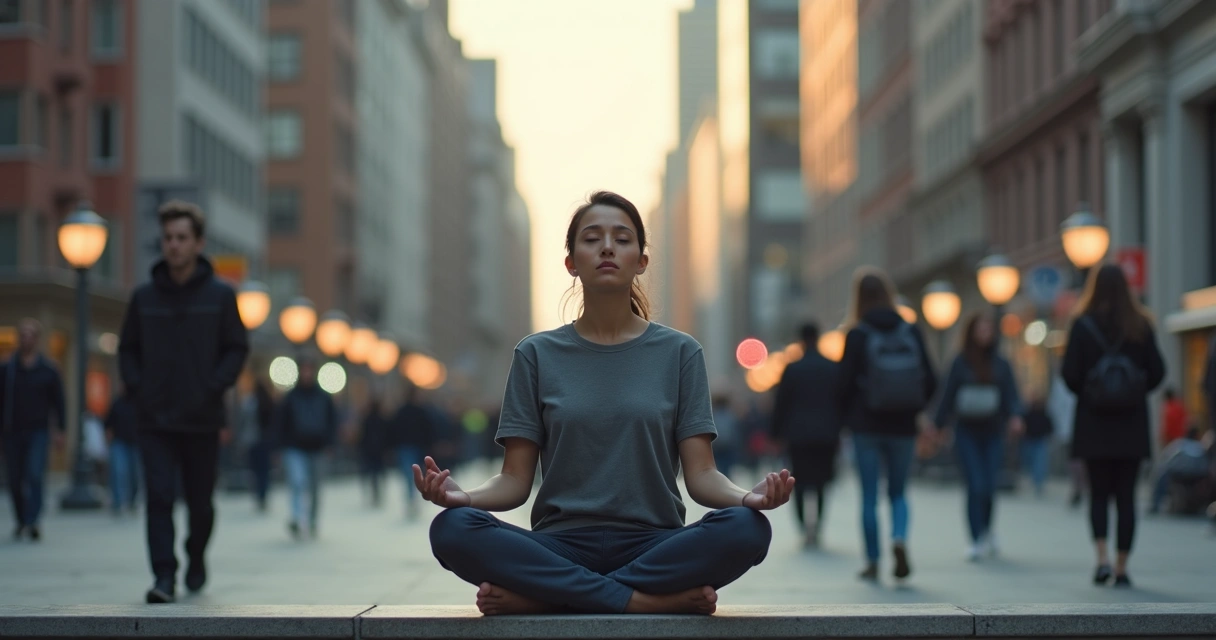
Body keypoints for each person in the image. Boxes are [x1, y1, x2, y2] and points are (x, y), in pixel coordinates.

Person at [415, 191, 790, 616]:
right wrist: (464, 497)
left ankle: (546, 596)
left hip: (654, 543)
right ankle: (642, 601)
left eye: (622, 239)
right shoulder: (535, 354)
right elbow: (515, 481)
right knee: (452, 528)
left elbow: (702, 474)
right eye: (592, 239)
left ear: (641, 261)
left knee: (746, 529)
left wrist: (747, 498)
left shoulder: (681, 352)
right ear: (571, 263)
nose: (607, 247)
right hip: (560, 544)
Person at [118, 201, 249, 604]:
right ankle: (163, 575)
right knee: (158, 497)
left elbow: (236, 347)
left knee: (200, 503)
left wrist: (214, 385)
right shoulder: (143, 297)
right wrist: (139, 388)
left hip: (202, 418)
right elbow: (127, 350)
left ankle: (195, 554)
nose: (173, 245)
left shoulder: (220, 296)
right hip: (154, 418)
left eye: (181, 237)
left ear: (198, 243)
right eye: (168, 238)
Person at [1061, 264, 1165, 588]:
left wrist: (1092, 392)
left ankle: (1102, 559)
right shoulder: (1141, 324)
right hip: (1130, 424)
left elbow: (1069, 375)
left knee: (1098, 495)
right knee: (1126, 497)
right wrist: (1133, 390)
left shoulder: (1081, 325)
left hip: (1094, 424)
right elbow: (1158, 372)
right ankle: (1122, 566)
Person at [837, 267, 936, 582]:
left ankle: (872, 560)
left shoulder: (857, 335)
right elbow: (931, 379)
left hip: (866, 426)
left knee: (869, 496)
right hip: (903, 426)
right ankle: (899, 538)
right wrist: (914, 408)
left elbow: (843, 385)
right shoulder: (910, 330)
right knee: (899, 492)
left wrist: (847, 418)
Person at [932, 313, 1025, 561]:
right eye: (981, 329)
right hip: (966, 431)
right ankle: (975, 538)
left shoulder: (1001, 363)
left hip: (993, 431)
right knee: (975, 484)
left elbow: (1011, 394)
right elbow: (947, 395)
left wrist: (1015, 416)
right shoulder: (960, 362)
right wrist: (937, 425)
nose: (985, 334)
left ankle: (986, 529)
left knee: (990, 485)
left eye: (988, 329)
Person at [772, 322, 843, 549]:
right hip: (826, 435)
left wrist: (775, 433)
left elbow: (781, 404)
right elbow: (841, 402)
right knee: (821, 483)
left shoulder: (793, 369)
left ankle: (804, 527)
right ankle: (818, 526)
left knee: (799, 482)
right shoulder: (832, 367)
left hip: (798, 435)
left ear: (801, 339)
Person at [0, 318, 66, 541]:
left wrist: (60, 430)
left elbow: (59, 402)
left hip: (38, 431)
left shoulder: (48, 370)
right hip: (11, 431)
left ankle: (33, 520)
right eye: (23, 335)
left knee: (35, 474)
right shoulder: (8, 369)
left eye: (30, 335)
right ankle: (21, 519)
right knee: (15, 478)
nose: (26, 339)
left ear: (37, 339)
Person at [273, 355, 339, 539]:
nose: (307, 374)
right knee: (297, 482)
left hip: (318, 448)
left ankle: (312, 520)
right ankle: (296, 518)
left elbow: (332, 422)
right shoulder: (291, 397)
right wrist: (278, 447)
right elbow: (280, 423)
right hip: (295, 447)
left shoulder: (323, 397)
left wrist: (330, 444)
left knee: (315, 488)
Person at [392, 385, 434, 521]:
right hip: (416, 446)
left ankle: (411, 499)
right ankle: (413, 499)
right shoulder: (421, 411)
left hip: (405, 447)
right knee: (415, 474)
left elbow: (394, 430)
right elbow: (428, 430)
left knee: (409, 475)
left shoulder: (401, 411)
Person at [105, 384, 141, 516]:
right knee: (119, 472)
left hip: (136, 443)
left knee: (134, 475)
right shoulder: (117, 403)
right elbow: (108, 422)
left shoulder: (138, 403)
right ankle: (118, 502)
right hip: (119, 442)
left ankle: (132, 501)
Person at [1020, 395, 1054, 498]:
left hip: (1039, 441)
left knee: (1039, 462)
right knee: (1031, 462)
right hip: (1029, 441)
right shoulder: (1028, 414)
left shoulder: (1044, 415)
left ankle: (1038, 482)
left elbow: (1050, 428)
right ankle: (1034, 480)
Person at [359, 395, 391, 508]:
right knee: (379, 471)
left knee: (372, 472)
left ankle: (375, 492)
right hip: (379, 451)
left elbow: (363, 436)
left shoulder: (367, 420)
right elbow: (387, 436)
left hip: (370, 450)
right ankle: (378, 492)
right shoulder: (383, 420)